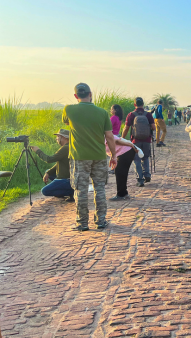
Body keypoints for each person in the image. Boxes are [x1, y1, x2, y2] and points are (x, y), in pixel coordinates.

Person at [62, 83, 117, 231]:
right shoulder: (103, 113)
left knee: (81, 189)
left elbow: (66, 122)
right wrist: (113, 155)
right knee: (99, 188)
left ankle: (82, 223)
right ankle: (101, 221)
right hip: (99, 156)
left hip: (79, 157)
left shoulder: (69, 109)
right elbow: (110, 137)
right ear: (90, 94)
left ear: (75, 96)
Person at [30, 129, 74, 201]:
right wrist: (48, 173)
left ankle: (71, 192)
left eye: (58, 136)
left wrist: (38, 151)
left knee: (45, 191)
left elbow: (49, 159)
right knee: (48, 171)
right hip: (70, 177)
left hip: (67, 179)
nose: (56, 139)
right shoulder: (70, 146)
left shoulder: (66, 148)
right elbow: (60, 164)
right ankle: (68, 189)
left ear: (65, 138)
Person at [122, 97, 155, 187]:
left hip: (135, 140)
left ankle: (140, 180)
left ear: (134, 104)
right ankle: (147, 175)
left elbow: (126, 128)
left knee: (136, 159)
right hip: (147, 140)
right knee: (145, 157)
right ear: (143, 104)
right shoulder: (148, 114)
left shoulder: (131, 114)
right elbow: (154, 127)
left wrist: (122, 138)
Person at [106, 136, 140, 200]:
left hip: (125, 152)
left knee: (120, 173)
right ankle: (124, 193)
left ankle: (121, 194)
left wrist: (131, 145)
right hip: (124, 152)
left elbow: (117, 141)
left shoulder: (104, 135)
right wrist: (112, 157)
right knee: (121, 172)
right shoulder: (103, 134)